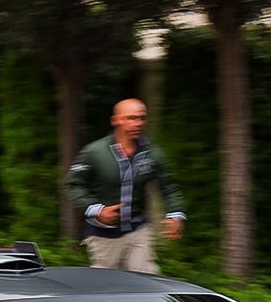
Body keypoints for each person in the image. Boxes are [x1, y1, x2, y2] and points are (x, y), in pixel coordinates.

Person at [66, 98, 185, 273]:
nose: (138, 123)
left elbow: (169, 187)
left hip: (138, 230)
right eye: (131, 118)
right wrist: (97, 210)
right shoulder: (94, 152)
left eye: (141, 118)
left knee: (146, 282)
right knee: (108, 287)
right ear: (116, 120)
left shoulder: (152, 154)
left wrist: (175, 215)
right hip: (103, 234)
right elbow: (74, 185)